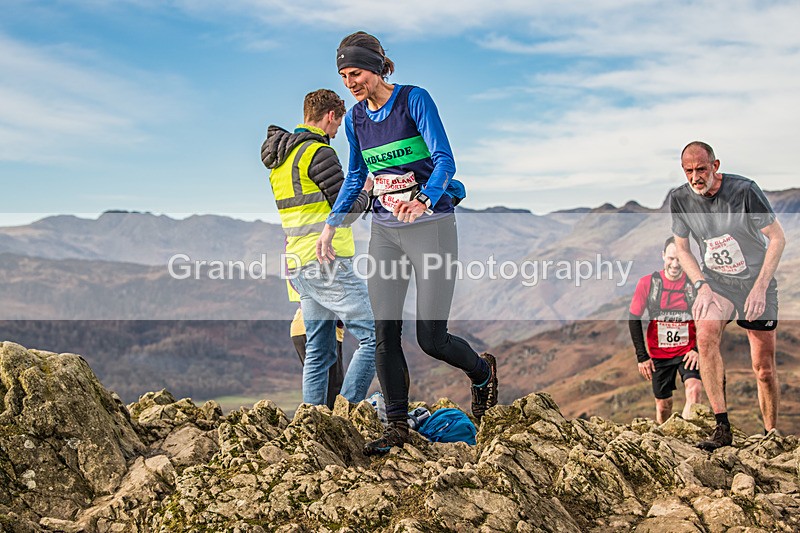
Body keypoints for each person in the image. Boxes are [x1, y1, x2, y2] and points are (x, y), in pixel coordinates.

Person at [317, 31, 498, 456]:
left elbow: (445, 161)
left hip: (431, 226)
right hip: (384, 230)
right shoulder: (358, 120)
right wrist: (332, 224)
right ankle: (397, 426)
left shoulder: (415, 100)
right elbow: (358, 177)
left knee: (431, 339)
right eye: (343, 75)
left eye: (356, 72)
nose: (350, 82)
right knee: (383, 334)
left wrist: (422, 199)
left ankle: (482, 373)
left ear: (377, 67)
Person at [261, 88, 376, 407]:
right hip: (327, 261)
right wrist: (367, 190)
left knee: (319, 351)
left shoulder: (280, 162)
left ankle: (310, 423)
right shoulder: (318, 153)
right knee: (376, 336)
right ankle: (346, 412)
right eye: (338, 123)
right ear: (330, 116)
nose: (338, 130)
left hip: (298, 265)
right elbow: (347, 210)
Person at [670, 141, 785, 450]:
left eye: (701, 169)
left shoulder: (745, 190)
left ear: (715, 166)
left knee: (763, 368)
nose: (695, 177)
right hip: (717, 283)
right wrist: (701, 285)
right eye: (689, 171)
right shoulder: (679, 199)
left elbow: (777, 238)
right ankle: (722, 427)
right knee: (705, 333)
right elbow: (681, 248)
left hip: (754, 281)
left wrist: (761, 286)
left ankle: (770, 433)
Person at [629, 236, 705, 424]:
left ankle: (690, 436)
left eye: (679, 259)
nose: (675, 264)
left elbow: (707, 319)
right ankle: (665, 440)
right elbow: (633, 318)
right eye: (671, 258)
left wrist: (697, 349)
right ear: (663, 256)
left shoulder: (695, 285)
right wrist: (642, 356)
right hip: (659, 355)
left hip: (688, 351)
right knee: (664, 406)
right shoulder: (647, 284)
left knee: (694, 390)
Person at [288, 279, 344, 410]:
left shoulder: (295, 266)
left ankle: (313, 420)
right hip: (319, 327)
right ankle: (316, 423)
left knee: (327, 386)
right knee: (332, 392)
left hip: (304, 327)